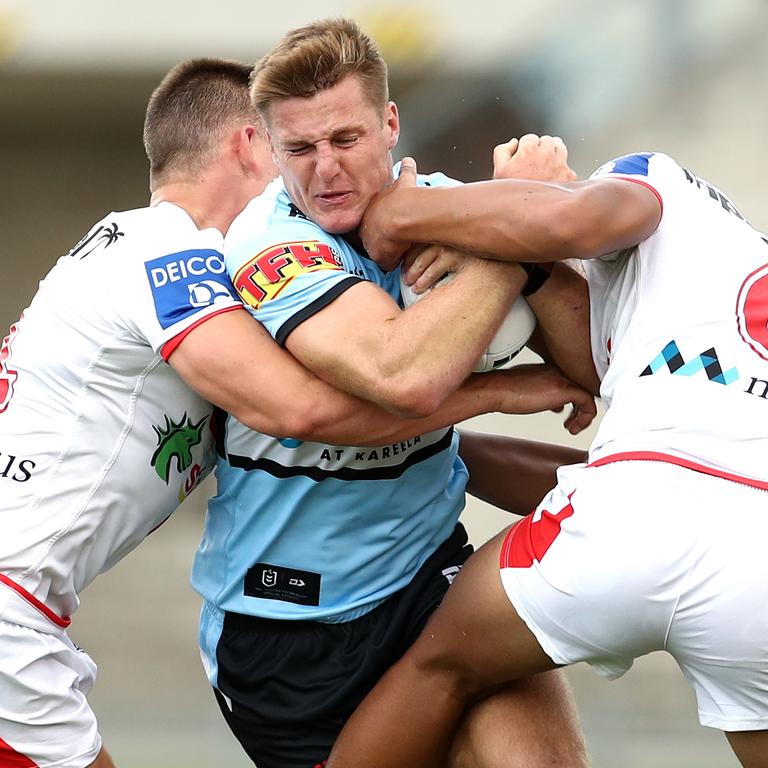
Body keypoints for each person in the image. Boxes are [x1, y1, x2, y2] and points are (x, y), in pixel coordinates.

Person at [0, 58, 590, 768]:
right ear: (255, 144)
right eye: (293, 153)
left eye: (342, 141)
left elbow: (383, 435)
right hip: (20, 617)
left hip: (36, 610)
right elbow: (304, 410)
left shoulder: (140, 255)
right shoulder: (170, 254)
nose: (306, 181)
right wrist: (504, 383)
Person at [191, 18, 595, 768]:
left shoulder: (449, 206)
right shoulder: (267, 242)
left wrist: (525, 234)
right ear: (273, 152)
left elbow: (596, 364)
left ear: (390, 125)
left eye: (345, 140)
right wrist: (510, 240)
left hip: (429, 579)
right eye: (299, 150)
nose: (325, 171)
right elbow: (403, 375)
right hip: (288, 630)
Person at [324, 145, 768, 768]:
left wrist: (407, 212)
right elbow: (628, 475)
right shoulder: (707, 309)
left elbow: (567, 222)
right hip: (755, 569)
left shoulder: (662, 180)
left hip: (635, 516)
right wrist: (438, 449)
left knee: (439, 668)